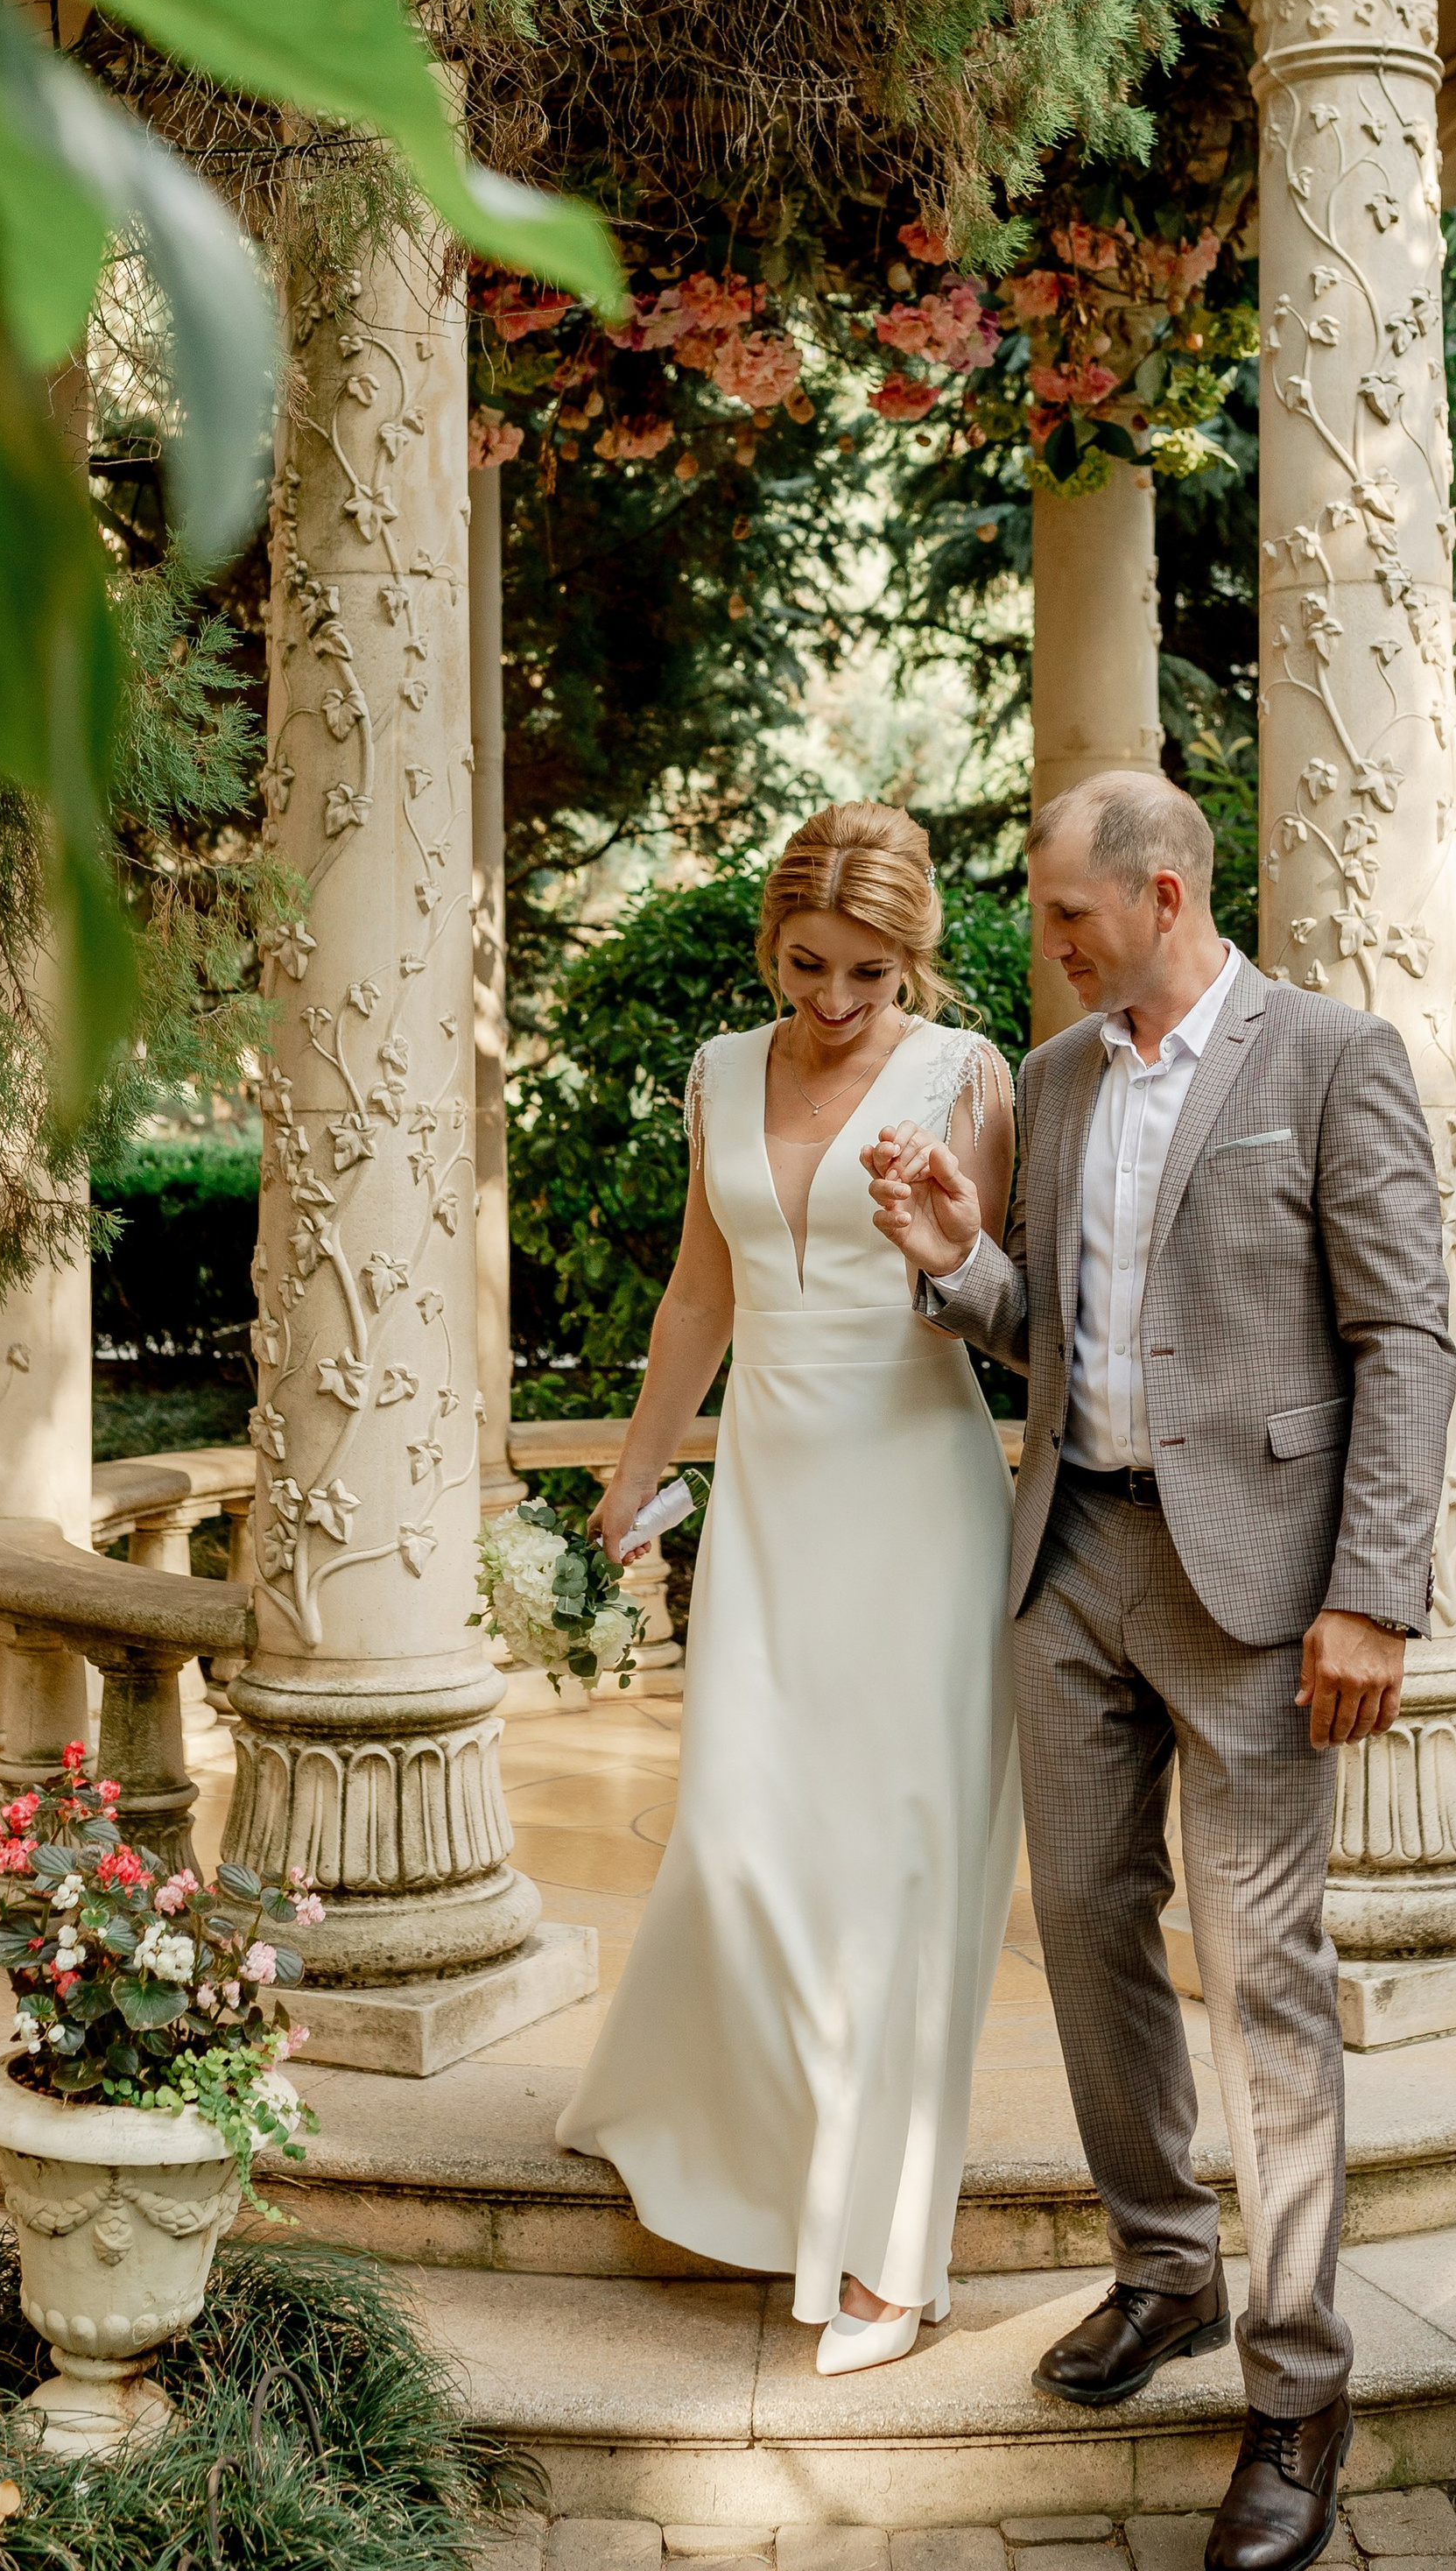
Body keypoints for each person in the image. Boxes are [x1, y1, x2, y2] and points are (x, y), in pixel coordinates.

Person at [865, 772, 1452, 2571]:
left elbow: (1404, 1335)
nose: (1042, 942)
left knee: (1263, 1977)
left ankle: (1298, 2386)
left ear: (1164, 894)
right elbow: (1045, 1325)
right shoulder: (1053, 1081)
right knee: (1084, 1927)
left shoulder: (1331, 1059)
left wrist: (1371, 1594)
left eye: (1066, 914)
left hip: (1259, 1592)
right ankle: (1165, 2269)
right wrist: (955, 1264)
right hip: (1071, 1562)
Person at [558, 801, 1021, 2379]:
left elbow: (1001, 1303)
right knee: (739, 1835)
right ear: (773, 942)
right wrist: (634, 1474)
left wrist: (941, 1244)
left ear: (914, 964)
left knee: (900, 1868)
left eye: (868, 975)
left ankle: (891, 2255)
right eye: (808, 964)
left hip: (917, 1501)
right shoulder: (717, 1071)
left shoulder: (967, 1077)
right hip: (767, 1499)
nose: (833, 1000)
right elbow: (702, 1292)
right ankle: (708, 2129)